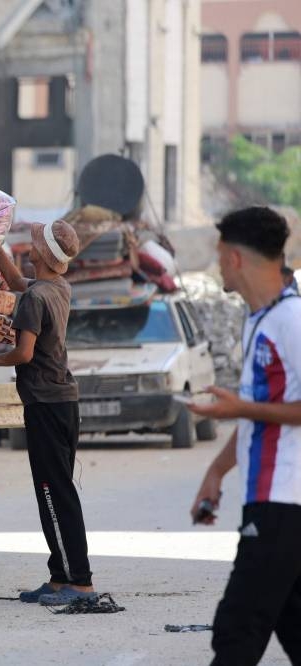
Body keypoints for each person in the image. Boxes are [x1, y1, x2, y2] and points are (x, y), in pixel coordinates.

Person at [188, 207, 301, 665]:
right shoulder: (260, 319)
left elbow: (258, 410)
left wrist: (239, 408)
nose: (217, 266)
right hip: (270, 500)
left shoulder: (291, 321)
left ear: (235, 258)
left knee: (237, 629)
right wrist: (215, 472)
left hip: (284, 502)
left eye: (219, 256)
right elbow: (261, 412)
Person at [0, 218, 96, 606]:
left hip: (47, 405)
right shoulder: (56, 287)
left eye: (35, 244)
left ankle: (80, 582)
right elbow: (17, 284)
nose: (31, 246)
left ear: (40, 254)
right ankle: (60, 576)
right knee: (53, 492)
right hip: (61, 404)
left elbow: (23, 353)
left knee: (55, 494)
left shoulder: (38, 298)